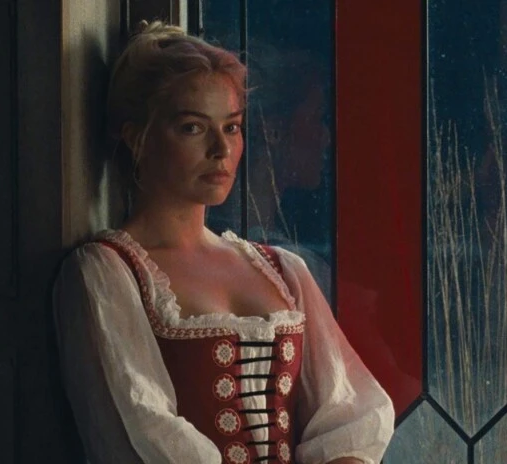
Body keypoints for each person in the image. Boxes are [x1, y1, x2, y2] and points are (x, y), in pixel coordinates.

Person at [53, 20, 394, 464]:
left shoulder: (284, 269)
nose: (221, 150)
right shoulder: (107, 272)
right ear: (137, 138)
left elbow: (349, 412)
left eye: (231, 128)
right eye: (192, 128)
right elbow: (142, 428)